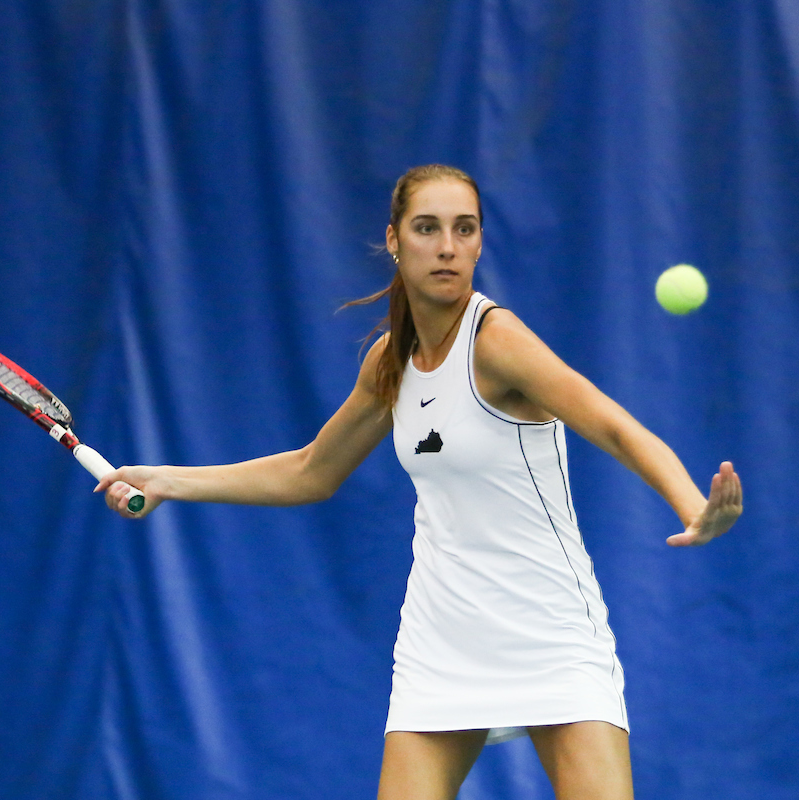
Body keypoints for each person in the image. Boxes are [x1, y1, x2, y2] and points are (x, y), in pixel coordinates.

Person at [96, 164, 743, 800]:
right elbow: (310, 471)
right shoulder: (391, 362)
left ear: (480, 242)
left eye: (464, 229)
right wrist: (167, 481)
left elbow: (613, 425)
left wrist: (692, 503)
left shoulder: (499, 341)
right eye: (428, 228)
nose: (447, 247)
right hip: (444, 634)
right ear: (395, 240)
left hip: (549, 629)